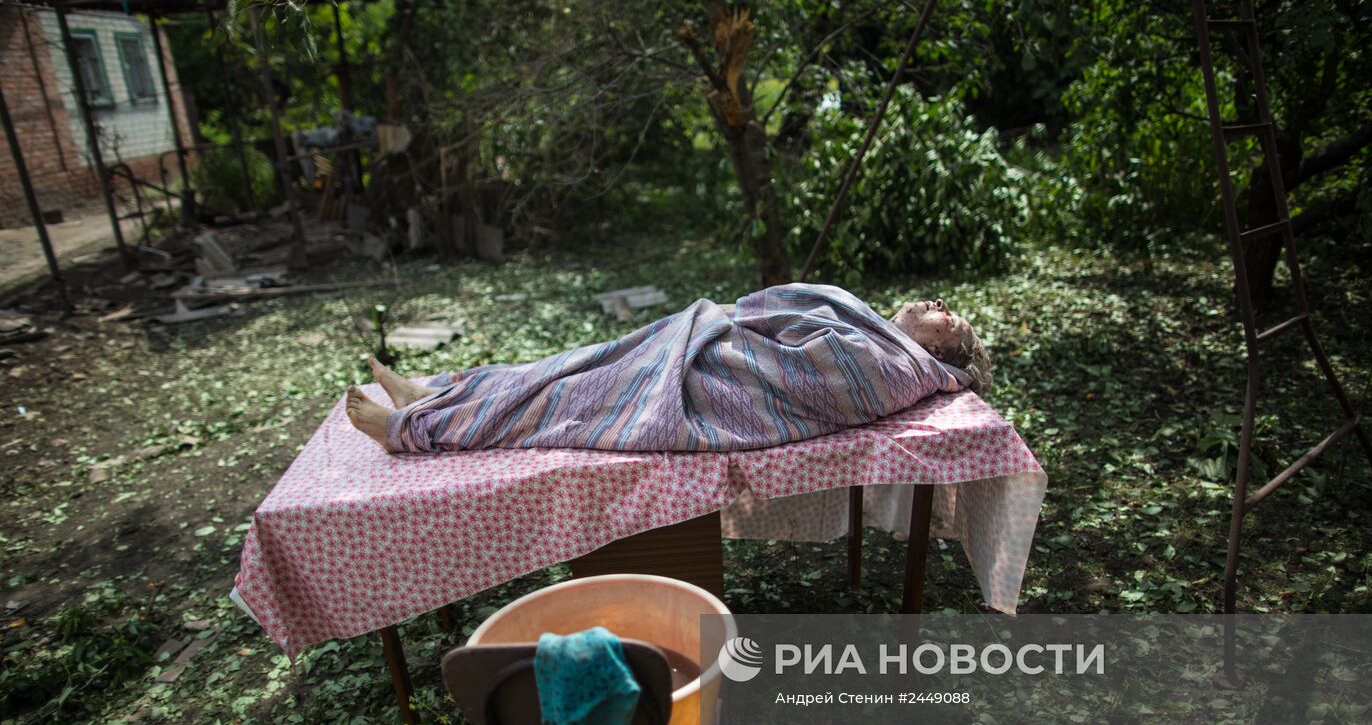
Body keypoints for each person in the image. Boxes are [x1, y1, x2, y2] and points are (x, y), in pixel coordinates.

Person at [346, 283, 990, 453]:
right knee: (567, 365)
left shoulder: (892, 367)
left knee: (567, 401)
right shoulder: (885, 340)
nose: (940, 307)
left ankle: (411, 430)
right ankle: (439, 388)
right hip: (709, 346)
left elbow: (809, 370)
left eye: (950, 321)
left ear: (939, 352)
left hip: (712, 387)